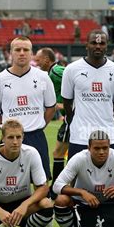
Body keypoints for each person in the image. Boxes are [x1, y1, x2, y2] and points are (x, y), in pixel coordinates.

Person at [0, 36, 59, 227]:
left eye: (26, 50)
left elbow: (50, 107)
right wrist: (10, 130)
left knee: (42, 188)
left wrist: (37, 126)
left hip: (36, 136)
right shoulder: (0, 79)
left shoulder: (43, 77)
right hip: (9, 137)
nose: (21, 53)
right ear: (11, 52)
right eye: (17, 49)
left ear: (31, 53)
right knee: (7, 187)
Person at [61, 29, 114, 160]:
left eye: (102, 44)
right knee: (76, 179)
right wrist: (74, 121)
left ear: (107, 46)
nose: (98, 46)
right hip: (80, 136)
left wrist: (109, 122)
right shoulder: (71, 69)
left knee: (110, 178)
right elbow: (67, 101)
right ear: (86, 45)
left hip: (109, 135)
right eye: (94, 43)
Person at [35, 48, 67, 190]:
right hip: (70, 117)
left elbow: (77, 84)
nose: (36, 63)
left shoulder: (57, 72)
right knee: (59, 152)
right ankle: (57, 188)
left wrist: (58, 105)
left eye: (38, 60)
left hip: (75, 118)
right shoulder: (50, 74)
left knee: (60, 152)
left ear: (47, 60)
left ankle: (57, 189)